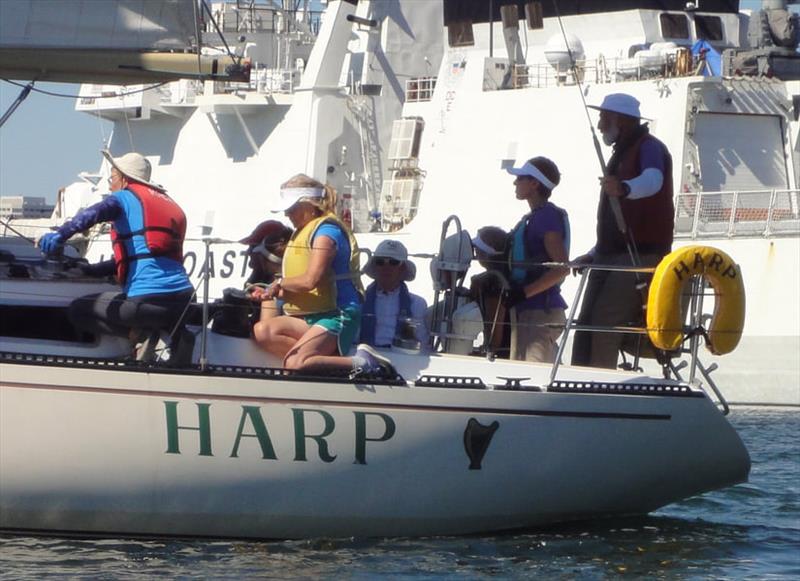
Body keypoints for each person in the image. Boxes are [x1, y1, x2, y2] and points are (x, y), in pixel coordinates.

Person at [37, 150, 195, 364]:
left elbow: (93, 213)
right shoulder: (169, 203)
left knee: (79, 310)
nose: (110, 185)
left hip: (146, 302)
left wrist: (61, 234)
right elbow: (138, 257)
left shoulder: (123, 198)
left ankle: (141, 335)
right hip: (185, 301)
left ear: (124, 178)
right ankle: (174, 335)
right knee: (157, 312)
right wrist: (89, 270)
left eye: (112, 178)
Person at [252, 174, 396, 378]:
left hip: (338, 314)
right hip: (313, 315)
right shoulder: (304, 230)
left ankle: (363, 363)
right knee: (263, 331)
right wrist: (271, 292)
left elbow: (311, 280)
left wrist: (279, 282)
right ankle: (319, 361)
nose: (287, 214)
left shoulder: (327, 232)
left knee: (294, 364)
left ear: (309, 205)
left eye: (291, 208)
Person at [571, 93, 674, 369]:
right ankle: (580, 377)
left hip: (638, 255)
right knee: (587, 319)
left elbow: (654, 180)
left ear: (620, 119)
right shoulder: (623, 152)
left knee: (606, 318)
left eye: (604, 117)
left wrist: (625, 188)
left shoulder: (650, 147)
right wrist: (594, 253)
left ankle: (599, 382)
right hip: (609, 255)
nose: (601, 124)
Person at [504, 157, 570, 363]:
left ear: (535, 184)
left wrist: (523, 293)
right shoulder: (537, 216)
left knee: (531, 379)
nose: (515, 183)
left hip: (540, 312)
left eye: (520, 178)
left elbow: (561, 267)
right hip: (533, 310)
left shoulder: (545, 217)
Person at [360, 239, 429, 349]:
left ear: (402, 268)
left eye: (393, 262)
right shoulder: (359, 300)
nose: (386, 267)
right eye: (380, 262)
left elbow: (423, 345)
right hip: (365, 357)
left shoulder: (417, 304)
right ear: (375, 266)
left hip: (403, 359)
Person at [469, 226, 510, 357]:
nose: (475, 252)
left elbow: (495, 320)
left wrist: (490, 349)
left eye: (477, 249)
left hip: (503, 354)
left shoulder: (492, 281)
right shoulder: (505, 275)